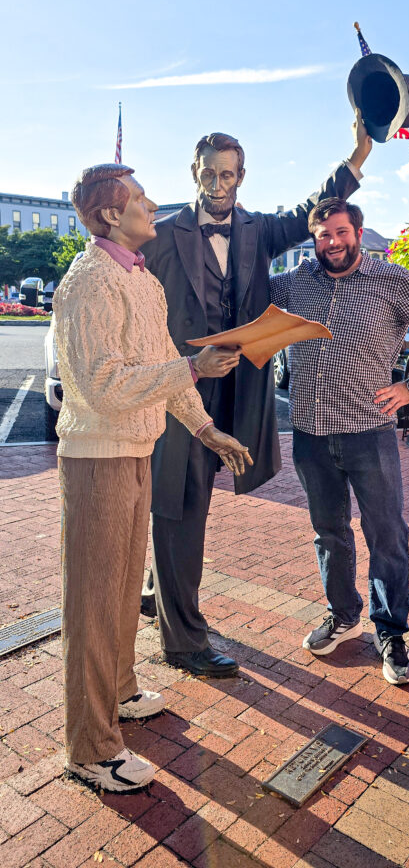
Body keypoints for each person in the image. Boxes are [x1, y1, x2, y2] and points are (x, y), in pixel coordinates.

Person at [140, 118, 372, 677]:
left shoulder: (258, 230)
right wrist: (177, 368)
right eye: (209, 173)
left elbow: (312, 210)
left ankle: (156, 590)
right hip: (180, 389)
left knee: (193, 503)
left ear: (241, 176)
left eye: (229, 173)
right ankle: (183, 641)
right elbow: (140, 312)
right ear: (193, 172)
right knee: (179, 503)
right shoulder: (162, 234)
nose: (219, 183)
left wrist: (358, 154)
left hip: (239, 394)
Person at [55, 163, 252, 792]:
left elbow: (165, 366)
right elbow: (103, 385)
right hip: (97, 457)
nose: (152, 205)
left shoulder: (140, 279)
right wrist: (191, 371)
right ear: (112, 215)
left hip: (138, 448)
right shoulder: (89, 282)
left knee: (119, 591)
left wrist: (203, 429)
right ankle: (90, 747)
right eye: (139, 199)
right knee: (93, 601)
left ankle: (120, 689)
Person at [269, 197, 409, 685]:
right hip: (310, 434)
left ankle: (391, 633)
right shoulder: (295, 282)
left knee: (386, 535)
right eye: (322, 235)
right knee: (329, 533)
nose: (332, 243)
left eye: (340, 232)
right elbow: (240, 295)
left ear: (358, 231)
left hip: (368, 432)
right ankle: (342, 614)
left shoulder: (389, 279)